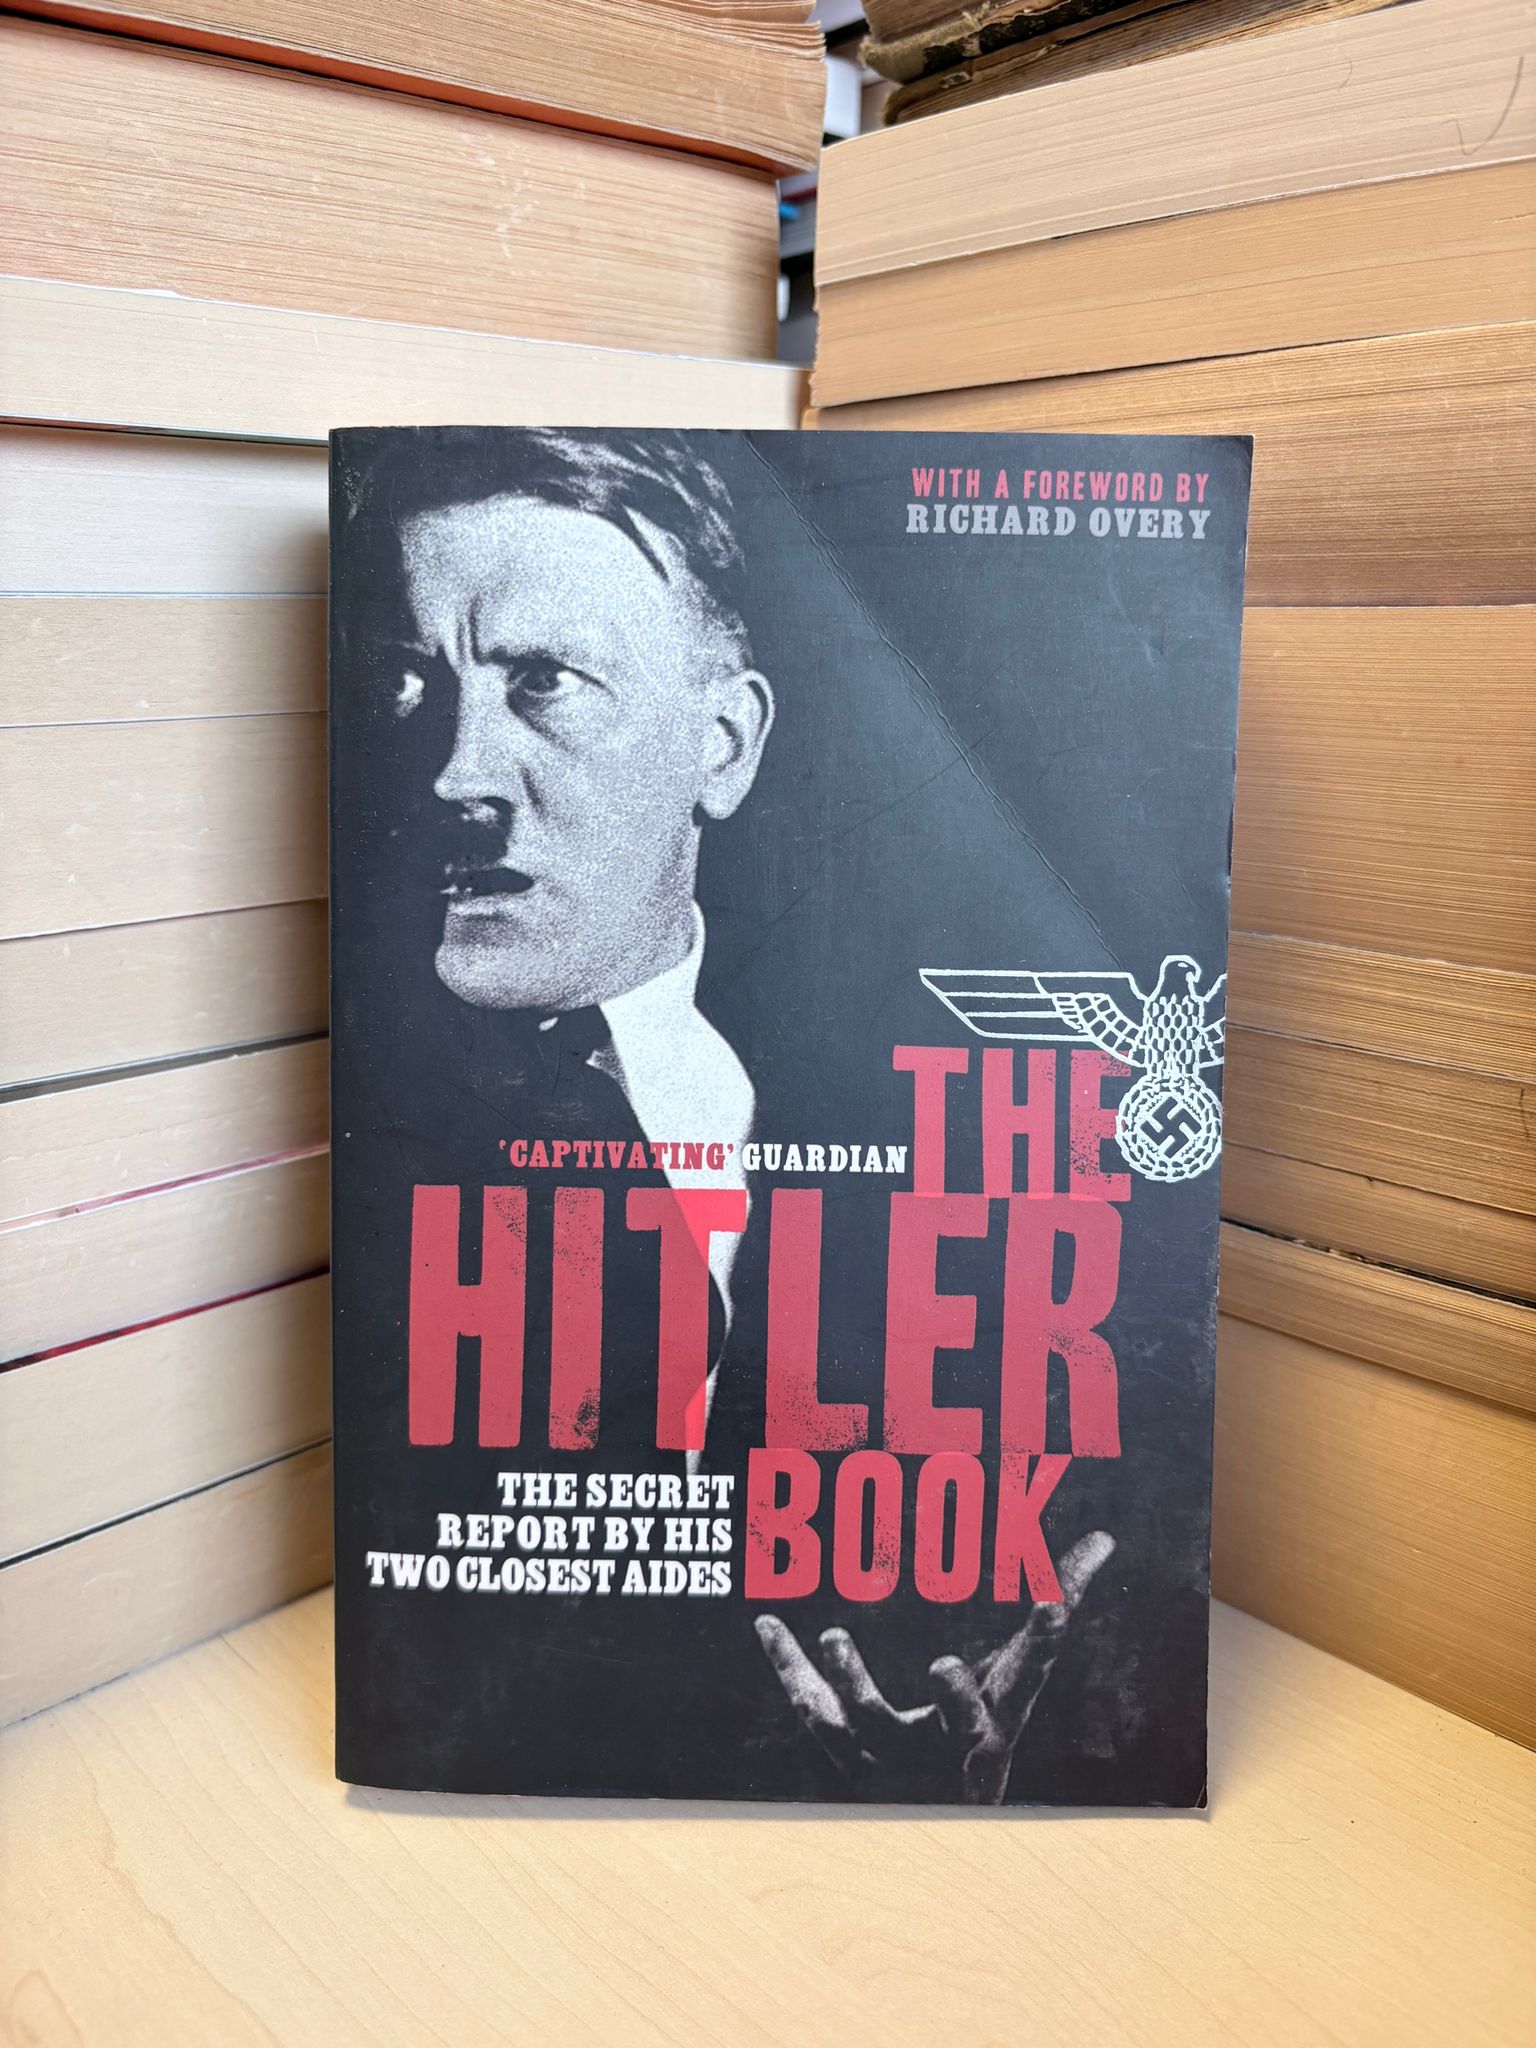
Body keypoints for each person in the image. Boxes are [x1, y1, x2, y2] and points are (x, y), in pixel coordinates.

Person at [344, 428, 1111, 1802]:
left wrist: (921, 1777)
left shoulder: (872, 1121)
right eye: (409, 685)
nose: (454, 772)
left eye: (542, 682)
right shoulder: (353, 1128)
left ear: (723, 744)